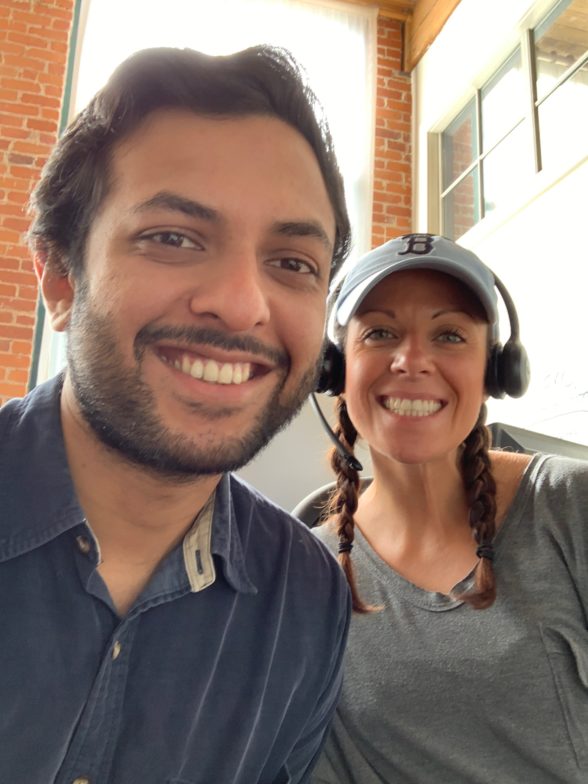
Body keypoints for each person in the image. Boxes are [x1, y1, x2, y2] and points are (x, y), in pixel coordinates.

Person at [0, 46, 352, 783]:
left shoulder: (309, 599)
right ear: (60, 279)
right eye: (172, 238)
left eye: (292, 262)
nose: (242, 304)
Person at [310, 233, 588, 784]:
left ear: (495, 374)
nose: (412, 361)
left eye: (450, 335)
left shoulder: (569, 507)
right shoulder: (308, 571)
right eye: (380, 332)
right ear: (336, 369)